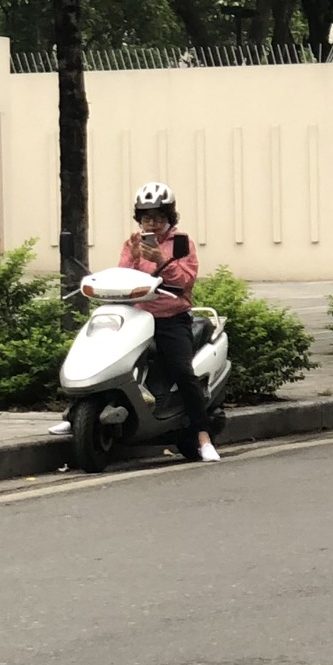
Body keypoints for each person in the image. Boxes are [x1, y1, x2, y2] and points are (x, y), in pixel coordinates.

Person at [119, 181, 220, 462]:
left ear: (169, 217)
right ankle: (76, 414)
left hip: (172, 318)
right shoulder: (133, 243)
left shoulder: (181, 243)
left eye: (158, 217)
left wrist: (162, 259)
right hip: (138, 317)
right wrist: (134, 258)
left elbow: (186, 279)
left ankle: (203, 437)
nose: (152, 223)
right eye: (146, 218)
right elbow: (123, 276)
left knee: (183, 372)